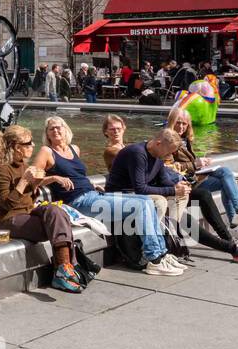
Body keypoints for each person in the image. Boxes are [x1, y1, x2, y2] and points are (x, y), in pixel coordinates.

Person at [35, 117, 182, 274]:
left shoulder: (74, 149)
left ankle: (161, 253)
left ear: (66, 130)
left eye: (59, 127)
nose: (56, 131)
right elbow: (32, 178)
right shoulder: (47, 151)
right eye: (52, 129)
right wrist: (54, 178)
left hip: (93, 194)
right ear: (47, 134)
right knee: (140, 204)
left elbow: (77, 175)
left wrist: (90, 185)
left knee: (147, 200)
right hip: (78, 202)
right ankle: (154, 258)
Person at [0, 124, 82, 294]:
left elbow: (30, 195)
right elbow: (6, 204)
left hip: (28, 212)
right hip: (9, 220)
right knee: (58, 224)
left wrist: (45, 180)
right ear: (17, 147)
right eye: (28, 143)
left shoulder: (23, 165)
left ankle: (64, 268)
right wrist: (23, 182)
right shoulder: (0, 169)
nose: (33, 146)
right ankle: (65, 270)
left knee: (56, 212)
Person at [166, 107, 238, 243]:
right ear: (171, 121)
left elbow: (186, 163)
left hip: (192, 179)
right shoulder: (167, 140)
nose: (181, 126)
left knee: (227, 178)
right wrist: (195, 163)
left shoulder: (185, 140)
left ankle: (236, 223)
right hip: (183, 184)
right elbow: (168, 167)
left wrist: (199, 163)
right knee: (225, 173)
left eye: (184, 123)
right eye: (178, 122)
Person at [101, 130, 188, 275]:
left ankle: (166, 245)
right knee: (159, 202)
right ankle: (152, 253)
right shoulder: (137, 153)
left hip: (134, 195)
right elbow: (140, 188)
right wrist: (172, 191)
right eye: (169, 151)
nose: (171, 156)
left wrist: (178, 187)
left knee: (181, 196)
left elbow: (164, 181)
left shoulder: (158, 155)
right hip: (120, 194)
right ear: (158, 143)